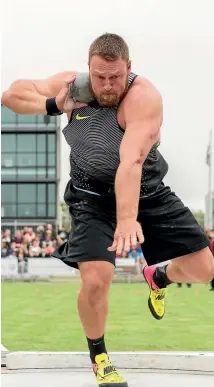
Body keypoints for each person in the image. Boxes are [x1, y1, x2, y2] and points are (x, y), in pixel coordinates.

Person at [2, 33, 214, 387]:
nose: (107, 85)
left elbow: (130, 162)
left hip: (146, 192)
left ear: (128, 68)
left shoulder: (143, 97)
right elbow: (11, 96)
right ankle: (99, 355)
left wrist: (128, 218)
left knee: (205, 269)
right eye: (99, 76)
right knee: (97, 278)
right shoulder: (71, 86)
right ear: (89, 68)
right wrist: (56, 104)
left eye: (115, 76)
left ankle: (158, 277)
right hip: (90, 196)